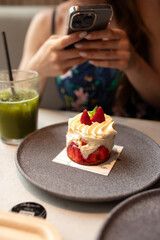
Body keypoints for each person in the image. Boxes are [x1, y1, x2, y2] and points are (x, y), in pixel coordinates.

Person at [19, 0, 160, 120]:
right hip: (79, 137)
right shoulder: (46, 21)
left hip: (140, 133)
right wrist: (38, 70)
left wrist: (134, 65)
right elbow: (17, 104)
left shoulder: (145, 8)